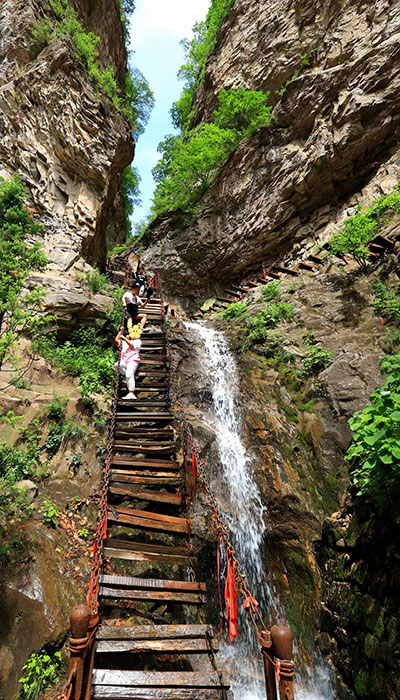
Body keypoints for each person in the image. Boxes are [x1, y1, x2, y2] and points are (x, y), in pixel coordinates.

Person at [115, 325, 142, 400]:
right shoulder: (124, 342)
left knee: (130, 374)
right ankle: (125, 376)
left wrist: (124, 339)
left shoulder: (138, 341)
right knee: (116, 365)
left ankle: (131, 393)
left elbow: (132, 346)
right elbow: (116, 340)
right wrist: (121, 332)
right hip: (124, 360)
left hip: (133, 359)